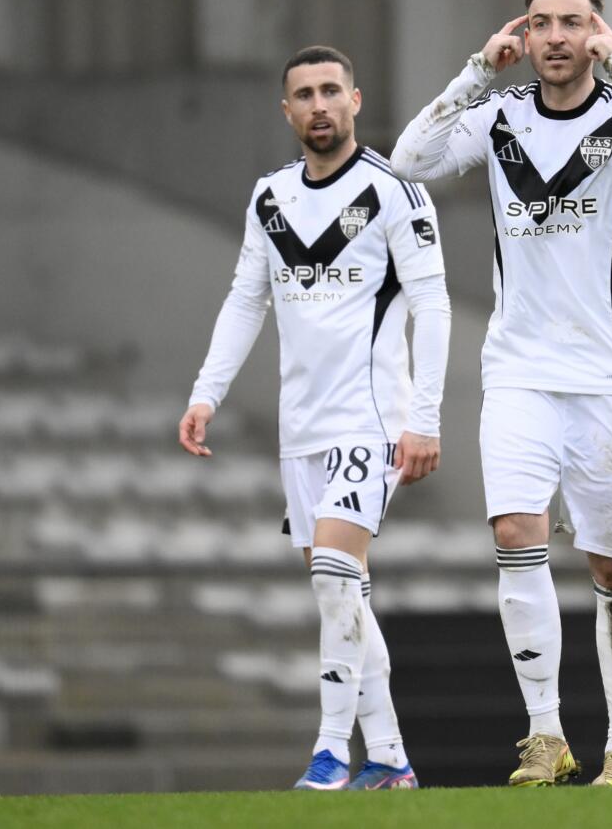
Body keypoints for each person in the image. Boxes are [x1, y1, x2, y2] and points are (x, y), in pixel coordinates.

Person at [391, 0, 612, 788]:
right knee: (514, 534)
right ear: (522, 38)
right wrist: (475, 71)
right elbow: (407, 161)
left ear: (595, 33)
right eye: (539, 23)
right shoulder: (499, 117)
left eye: (572, 22)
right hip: (520, 372)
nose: (555, 36)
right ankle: (544, 735)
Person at [178, 45, 450, 791]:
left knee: (336, 573)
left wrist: (423, 417)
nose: (320, 104)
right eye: (305, 94)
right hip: (300, 432)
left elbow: (433, 304)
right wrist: (207, 393)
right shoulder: (269, 197)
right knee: (344, 593)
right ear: (288, 111)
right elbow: (245, 299)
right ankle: (391, 758)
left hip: (373, 422)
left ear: (356, 101)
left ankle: (331, 753)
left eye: (333, 90)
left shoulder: (395, 192)